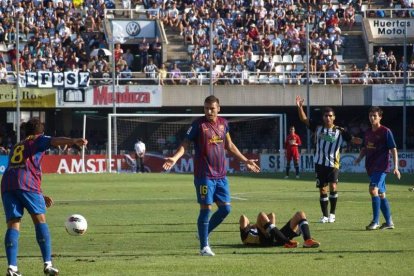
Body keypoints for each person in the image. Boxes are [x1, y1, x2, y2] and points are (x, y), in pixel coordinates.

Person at [162, 95, 260, 256]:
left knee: (226, 209)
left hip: (221, 175)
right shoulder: (197, 125)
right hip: (204, 175)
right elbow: (185, 145)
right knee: (206, 209)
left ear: (218, 109)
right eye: (206, 108)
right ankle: (204, 247)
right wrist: (174, 157)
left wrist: (245, 160)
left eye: (212, 108)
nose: (209, 111)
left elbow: (230, 146)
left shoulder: (224, 124)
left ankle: (203, 231)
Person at [1, 118, 88, 276]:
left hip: (7, 184)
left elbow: (22, 168)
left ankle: (12, 268)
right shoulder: (38, 139)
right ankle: (48, 265)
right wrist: (74, 140)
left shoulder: (16, 146)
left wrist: (40, 193)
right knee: (40, 220)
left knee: (13, 224)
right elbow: (55, 141)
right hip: (26, 184)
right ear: (40, 132)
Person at [296, 96, 362, 224]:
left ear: (334, 117)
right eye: (325, 116)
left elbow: (352, 139)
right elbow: (303, 119)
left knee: (333, 186)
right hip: (320, 164)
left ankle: (332, 214)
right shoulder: (318, 127)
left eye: (330, 116)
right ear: (323, 117)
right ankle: (325, 216)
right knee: (322, 189)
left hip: (333, 164)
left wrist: (361, 141)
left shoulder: (340, 131)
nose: (328, 118)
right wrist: (299, 107)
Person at [354, 107, 400, 230]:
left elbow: (393, 149)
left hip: (382, 167)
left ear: (380, 117)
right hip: (371, 168)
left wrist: (396, 167)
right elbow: (364, 148)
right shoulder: (368, 132)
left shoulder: (386, 131)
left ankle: (375, 221)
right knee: (381, 194)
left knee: (372, 189)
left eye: (375, 115)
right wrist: (359, 158)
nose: (372, 118)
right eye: (370, 116)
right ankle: (389, 222)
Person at [240, 211, 320, 248]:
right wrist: (255, 225)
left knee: (300, 214)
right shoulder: (245, 236)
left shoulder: (252, 228)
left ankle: (308, 240)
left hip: (277, 236)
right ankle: (287, 242)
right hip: (264, 241)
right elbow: (243, 217)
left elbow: (271, 215)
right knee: (261, 214)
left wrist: (255, 225)